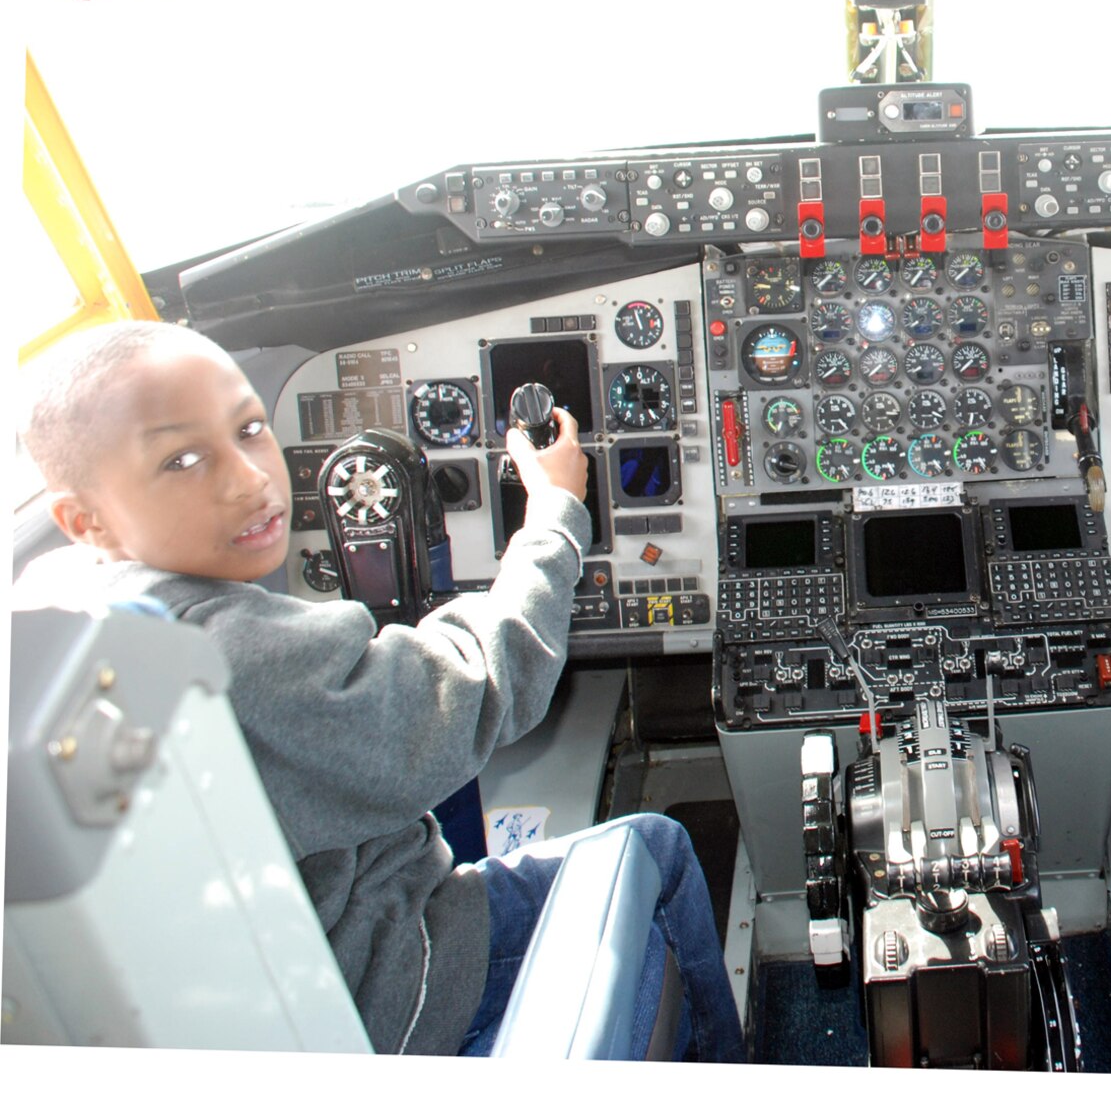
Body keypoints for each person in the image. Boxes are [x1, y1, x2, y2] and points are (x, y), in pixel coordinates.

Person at [13, 322, 744, 1061]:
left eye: (250, 427)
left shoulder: (57, 601)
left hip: (304, 967)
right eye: (182, 459)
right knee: (656, 847)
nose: (247, 478)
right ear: (84, 518)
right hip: (396, 988)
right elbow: (492, 685)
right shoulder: (232, 650)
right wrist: (554, 512)